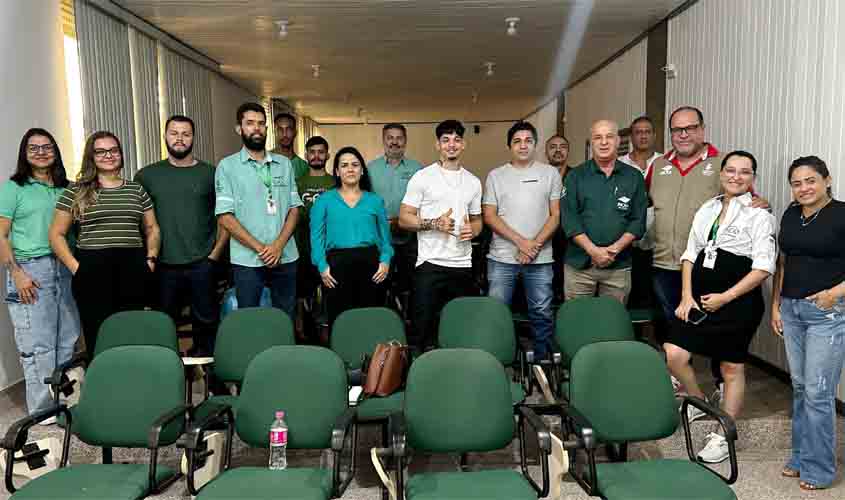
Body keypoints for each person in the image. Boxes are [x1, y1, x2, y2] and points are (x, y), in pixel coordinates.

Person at [666, 151, 775, 464]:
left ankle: (724, 433)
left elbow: (763, 268)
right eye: (731, 170)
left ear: (753, 178)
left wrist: (726, 297)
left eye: (744, 172)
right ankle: (700, 402)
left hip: (738, 301)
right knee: (674, 353)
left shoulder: (760, 215)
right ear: (722, 172)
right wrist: (686, 296)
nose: (736, 177)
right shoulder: (708, 207)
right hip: (699, 298)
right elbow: (690, 254)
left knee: (731, 367)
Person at [50, 131, 160, 359]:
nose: (108, 155)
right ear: (91, 156)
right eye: (100, 151)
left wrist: (150, 259)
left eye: (113, 150)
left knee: (132, 334)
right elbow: (56, 234)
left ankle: (133, 386)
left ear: (120, 154)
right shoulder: (76, 191)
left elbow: (152, 228)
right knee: (98, 336)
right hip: (92, 270)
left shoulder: (136, 189)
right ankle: (103, 389)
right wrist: (76, 268)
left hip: (133, 270)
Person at [771, 156, 845, 491]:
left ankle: (819, 469)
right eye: (797, 182)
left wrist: (834, 293)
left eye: (811, 180)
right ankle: (801, 456)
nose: (804, 188)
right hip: (791, 309)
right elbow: (783, 261)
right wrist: (776, 304)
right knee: (801, 387)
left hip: (827, 313)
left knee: (818, 392)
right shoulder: (790, 214)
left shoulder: (842, 214)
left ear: (827, 180)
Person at [0, 129, 81, 419]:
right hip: (30, 271)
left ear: (56, 152)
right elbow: (1, 234)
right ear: (24, 153)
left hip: (64, 269)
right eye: (33, 148)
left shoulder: (67, 188)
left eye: (47, 147)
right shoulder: (14, 188)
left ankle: (65, 409)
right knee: (39, 346)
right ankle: (42, 414)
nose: (41, 152)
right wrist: (16, 273)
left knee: (68, 340)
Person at [135, 115, 229, 357]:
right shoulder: (147, 176)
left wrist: (214, 256)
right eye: (174, 133)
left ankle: (210, 380)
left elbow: (225, 218)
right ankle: (166, 376)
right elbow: (143, 224)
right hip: (164, 266)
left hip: (202, 264)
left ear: (194, 138)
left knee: (207, 326)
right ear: (165, 136)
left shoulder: (211, 174)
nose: (179, 138)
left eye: (186, 134)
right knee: (163, 327)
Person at [399, 119, 483, 354]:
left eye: (456, 140)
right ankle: (419, 377)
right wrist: (435, 223)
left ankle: (457, 377)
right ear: (438, 145)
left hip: (463, 265)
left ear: (463, 144)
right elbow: (404, 218)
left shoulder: (473, 182)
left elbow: (478, 220)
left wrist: (474, 229)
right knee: (422, 330)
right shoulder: (422, 177)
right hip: (430, 265)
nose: (451, 145)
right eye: (446, 140)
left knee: (460, 329)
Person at [215, 102, 302, 316]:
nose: (257, 128)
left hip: (285, 256)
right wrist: (262, 249)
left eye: (261, 124)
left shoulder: (284, 164)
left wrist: (278, 246)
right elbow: (225, 217)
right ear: (239, 128)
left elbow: (295, 208)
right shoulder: (227, 166)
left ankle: (284, 351)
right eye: (250, 123)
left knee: (285, 316)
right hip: (247, 260)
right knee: (251, 319)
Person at [484, 121, 561, 358]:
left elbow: (555, 215)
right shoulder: (496, 175)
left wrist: (533, 246)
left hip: (540, 258)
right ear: (509, 146)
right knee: (497, 314)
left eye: (528, 140)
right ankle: (497, 362)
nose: (523, 145)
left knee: (542, 312)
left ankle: (542, 363)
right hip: (502, 259)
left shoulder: (550, 173)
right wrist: (522, 243)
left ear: (536, 144)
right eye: (517, 141)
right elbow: (489, 215)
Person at [562, 120, 647, 304]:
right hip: (579, 267)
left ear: (618, 141)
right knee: (576, 320)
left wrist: (612, 251)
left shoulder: (634, 177)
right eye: (597, 137)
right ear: (591, 143)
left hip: (618, 266)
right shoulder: (575, 176)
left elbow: (638, 221)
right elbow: (570, 219)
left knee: (613, 323)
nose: (603, 142)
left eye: (609, 137)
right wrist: (593, 251)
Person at [310, 146, 393, 328]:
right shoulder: (323, 201)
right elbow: (316, 239)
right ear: (337, 171)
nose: (350, 169)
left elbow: (386, 240)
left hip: (372, 268)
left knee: (371, 321)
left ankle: (372, 356)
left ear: (362, 170)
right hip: (336, 268)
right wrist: (322, 267)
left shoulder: (375, 201)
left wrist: (385, 262)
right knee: (341, 322)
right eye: (345, 165)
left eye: (355, 165)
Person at [368, 123, 423, 314]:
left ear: (405, 141)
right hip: (380, 237)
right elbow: (364, 202)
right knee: (380, 283)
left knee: (410, 283)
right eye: (390, 137)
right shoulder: (370, 169)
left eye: (399, 138)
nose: (394, 142)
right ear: (383, 140)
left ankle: (408, 323)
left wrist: (405, 220)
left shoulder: (418, 169)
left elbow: (425, 202)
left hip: (410, 238)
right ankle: (382, 320)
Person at [619, 116, 662, 313]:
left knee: (656, 293)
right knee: (630, 291)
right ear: (631, 136)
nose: (643, 136)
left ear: (654, 135)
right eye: (638, 132)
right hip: (625, 238)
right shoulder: (620, 164)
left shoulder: (665, 163)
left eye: (647, 132)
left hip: (658, 238)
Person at [294, 135, 335, 342]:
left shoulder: (335, 182)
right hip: (302, 248)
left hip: (330, 251)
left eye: (321, 152)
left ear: (327, 155)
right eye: (312, 152)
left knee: (329, 293)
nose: (317, 156)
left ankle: (327, 332)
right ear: (306, 155)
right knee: (302, 294)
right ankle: (301, 331)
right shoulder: (297, 183)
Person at [546, 134, 571, 304]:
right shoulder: (540, 176)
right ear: (546, 151)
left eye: (562, 146)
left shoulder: (578, 176)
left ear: (568, 151)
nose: (558, 150)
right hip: (544, 239)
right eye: (553, 146)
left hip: (570, 240)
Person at [271, 112, 309, 180]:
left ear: (295, 132)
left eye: (289, 129)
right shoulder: (264, 161)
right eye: (280, 129)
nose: (284, 134)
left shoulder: (304, 167)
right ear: (275, 132)